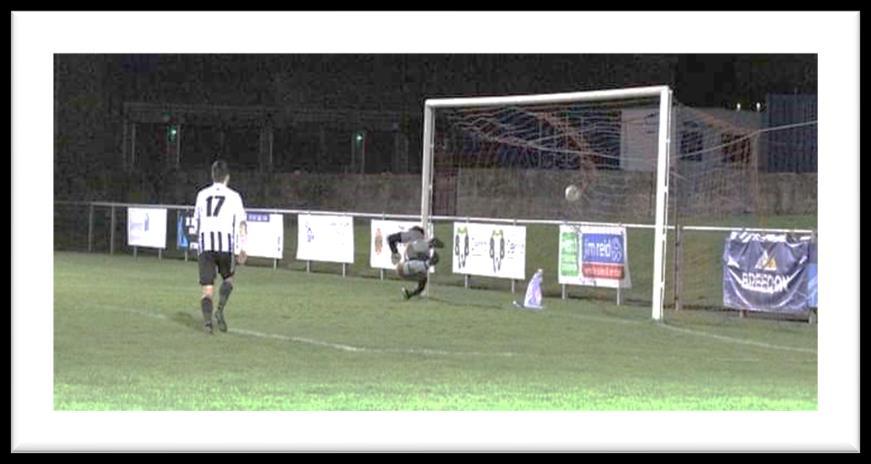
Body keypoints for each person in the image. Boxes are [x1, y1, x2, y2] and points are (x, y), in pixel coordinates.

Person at [193, 160, 248, 334]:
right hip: (225, 246)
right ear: (227, 178)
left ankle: (208, 324)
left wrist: (200, 244)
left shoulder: (202, 195)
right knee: (229, 279)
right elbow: (242, 224)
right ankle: (219, 310)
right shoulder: (234, 196)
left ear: (212, 175)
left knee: (207, 289)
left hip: (206, 245)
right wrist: (243, 247)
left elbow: (196, 223)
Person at [386, 225, 444, 300]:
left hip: (405, 269)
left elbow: (390, 238)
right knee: (423, 276)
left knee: (422, 276)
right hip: (411, 266)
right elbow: (390, 239)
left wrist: (395, 252)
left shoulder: (413, 236)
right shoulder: (417, 237)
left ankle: (409, 294)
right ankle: (428, 259)